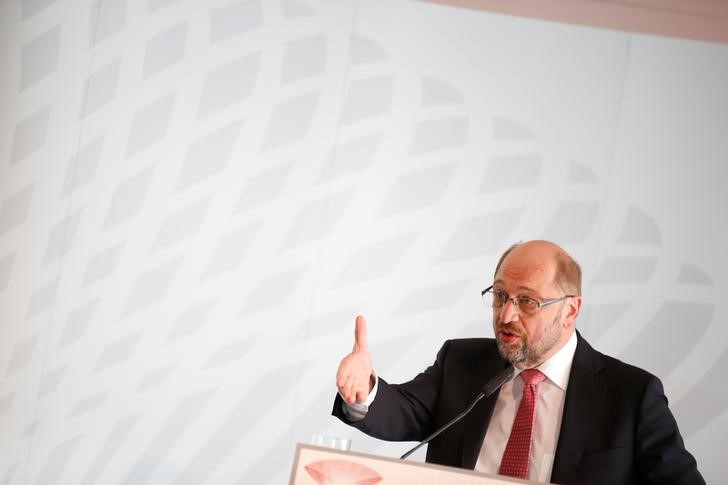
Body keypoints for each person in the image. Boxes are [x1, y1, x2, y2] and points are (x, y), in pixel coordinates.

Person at [332, 240, 705, 484]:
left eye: (527, 301)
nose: (506, 315)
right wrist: (364, 391)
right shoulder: (461, 362)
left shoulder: (631, 395)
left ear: (571, 311)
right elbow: (403, 411)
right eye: (499, 296)